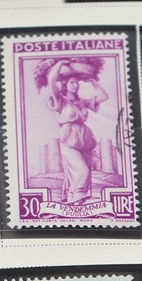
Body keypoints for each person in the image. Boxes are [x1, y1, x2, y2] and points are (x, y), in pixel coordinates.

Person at [45, 59, 108, 205]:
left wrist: (92, 81)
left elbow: (104, 97)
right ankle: (75, 199)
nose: (76, 85)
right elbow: (51, 81)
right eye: (72, 82)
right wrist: (59, 64)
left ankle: (76, 204)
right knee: (82, 171)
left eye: (77, 82)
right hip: (68, 138)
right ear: (65, 84)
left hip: (84, 139)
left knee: (79, 175)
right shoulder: (60, 100)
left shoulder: (82, 102)